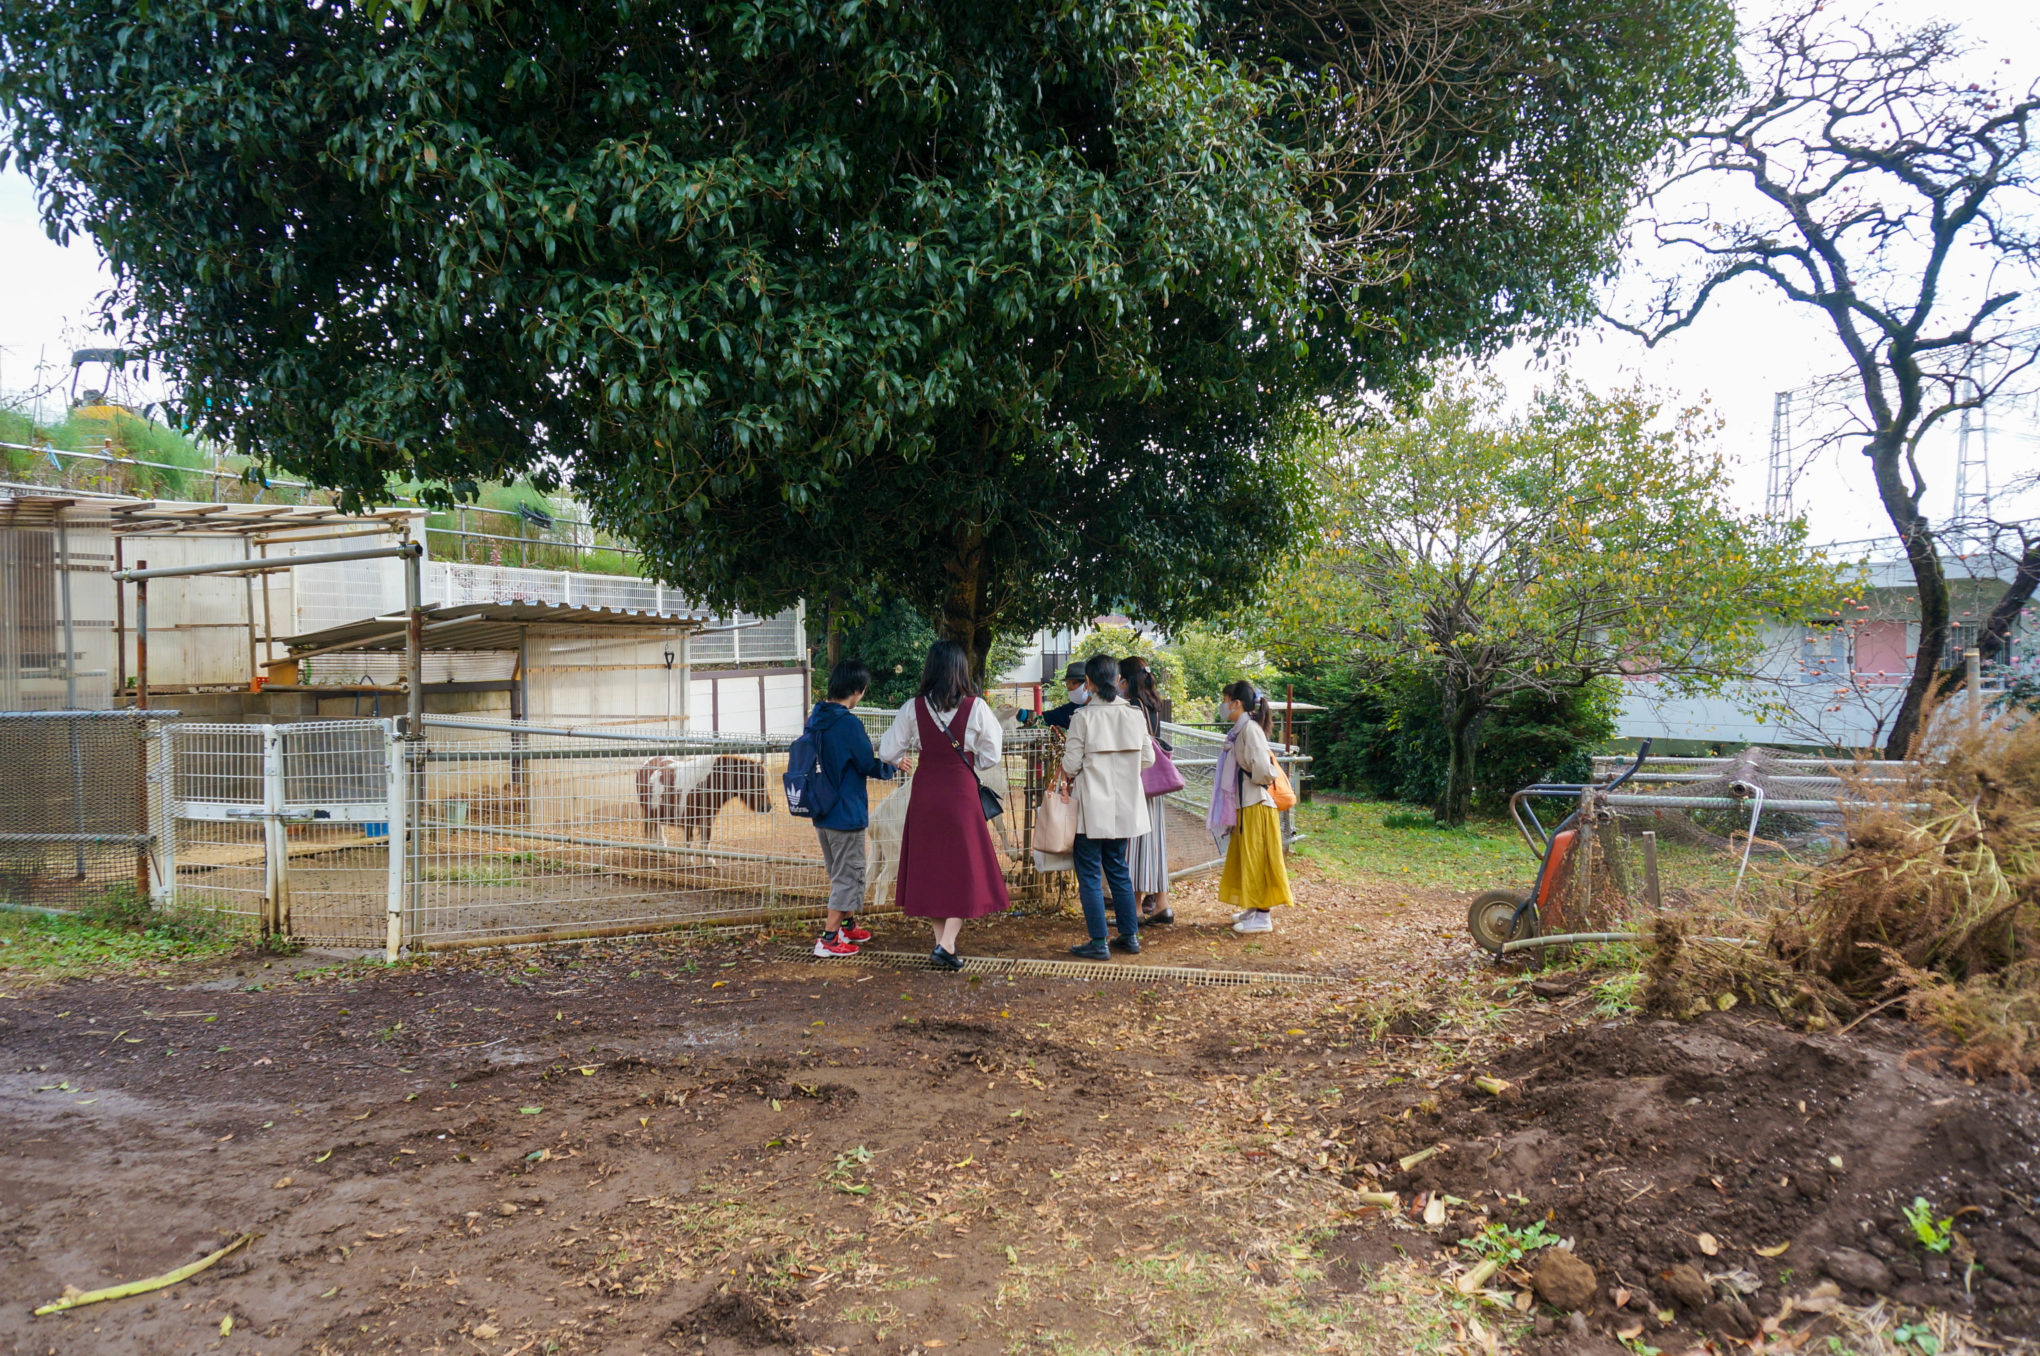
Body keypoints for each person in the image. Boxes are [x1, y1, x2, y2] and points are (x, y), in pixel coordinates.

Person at [877, 640, 1010, 970]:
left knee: (933, 869)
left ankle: (943, 946)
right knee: (967, 869)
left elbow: (887, 751)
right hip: (960, 794)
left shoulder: (914, 707)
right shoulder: (976, 707)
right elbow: (992, 755)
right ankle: (946, 944)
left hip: (924, 792)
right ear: (961, 669)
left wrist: (909, 759)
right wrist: (969, 762)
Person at [805, 660, 913, 957]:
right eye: (863, 691)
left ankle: (848, 924)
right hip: (846, 812)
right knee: (849, 874)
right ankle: (828, 938)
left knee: (838, 869)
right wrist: (892, 766)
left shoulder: (815, 718)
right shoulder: (848, 723)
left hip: (822, 811)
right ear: (856, 690)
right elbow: (867, 763)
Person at [1062, 654, 1155, 959]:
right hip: (1125, 806)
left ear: (1088, 683)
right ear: (1117, 681)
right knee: (1118, 869)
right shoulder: (1134, 715)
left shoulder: (1083, 718)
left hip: (1091, 808)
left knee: (1089, 872)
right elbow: (1148, 760)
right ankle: (1129, 936)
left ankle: (1099, 942)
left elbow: (1070, 765)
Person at [1208, 680, 1293, 933]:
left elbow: (1265, 770)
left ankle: (1263, 915)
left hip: (1256, 803)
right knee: (1248, 856)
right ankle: (1255, 907)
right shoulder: (1240, 729)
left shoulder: (1249, 730)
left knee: (1259, 857)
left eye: (1225, 699)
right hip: (1246, 803)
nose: (1223, 705)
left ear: (1237, 703)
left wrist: (1252, 779)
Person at [1118, 655, 1173, 925]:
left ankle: (1136, 909)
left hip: (1139, 782)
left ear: (1125, 680)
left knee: (1136, 845)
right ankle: (1163, 904)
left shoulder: (1130, 707)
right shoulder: (1153, 704)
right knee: (1155, 845)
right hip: (1156, 786)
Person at [1040, 661, 1088, 730]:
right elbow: (1048, 717)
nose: (1069, 687)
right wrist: (1026, 715)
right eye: (1067, 683)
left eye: (1073, 683)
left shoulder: (1099, 708)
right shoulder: (1070, 709)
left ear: (1087, 684)